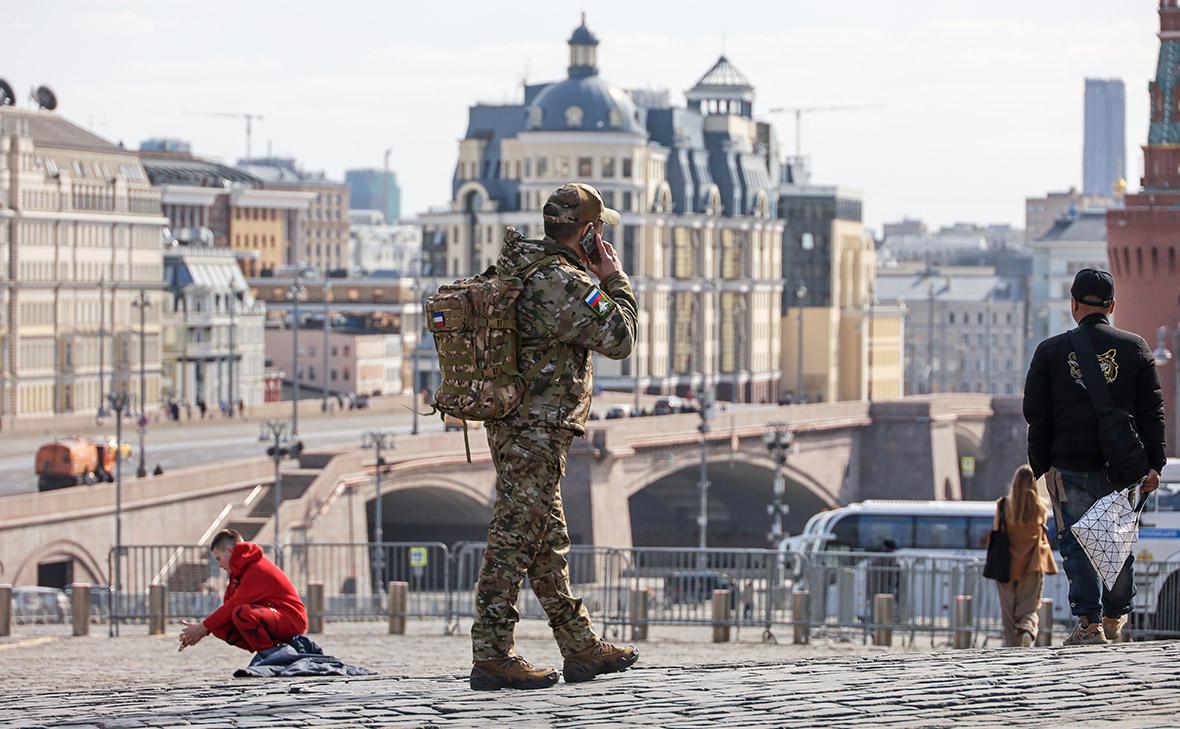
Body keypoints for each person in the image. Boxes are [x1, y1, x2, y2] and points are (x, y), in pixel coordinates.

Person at [469, 183, 640, 691]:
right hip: (537, 428)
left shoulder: (517, 266)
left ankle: (579, 645)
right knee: (515, 537)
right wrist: (613, 279)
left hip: (512, 423)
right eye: (599, 229)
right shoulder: (562, 283)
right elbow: (620, 338)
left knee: (546, 542)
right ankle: (492, 653)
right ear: (587, 232)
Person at [1024, 268, 1166, 646]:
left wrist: (1042, 466)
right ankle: (1115, 615)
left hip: (1068, 466)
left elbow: (1036, 415)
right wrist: (1156, 465)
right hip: (1122, 468)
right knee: (1115, 540)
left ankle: (1089, 623)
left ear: (1073, 305)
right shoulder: (1135, 348)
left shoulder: (1050, 352)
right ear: (1112, 306)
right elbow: (1153, 413)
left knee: (1077, 544)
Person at [178, 529, 308, 654]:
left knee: (241, 612)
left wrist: (201, 628)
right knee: (218, 625)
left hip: (292, 620)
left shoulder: (256, 569)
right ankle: (272, 651)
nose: (219, 564)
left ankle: (269, 655)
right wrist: (204, 629)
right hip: (275, 618)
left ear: (229, 551)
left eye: (218, 558)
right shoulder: (240, 571)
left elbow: (233, 606)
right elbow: (227, 609)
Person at [992, 465, 1058, 647]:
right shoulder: (1040, 508)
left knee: (1008, 611)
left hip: (1006, 565)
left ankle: (1011, 646)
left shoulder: (1003, 506)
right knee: (1028, 607)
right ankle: (1027, 630)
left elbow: (997, 530)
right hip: (1032, 564)